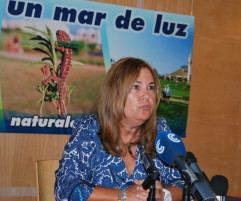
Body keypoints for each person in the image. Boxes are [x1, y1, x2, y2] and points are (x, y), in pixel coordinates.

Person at [55, 57, 184, 201]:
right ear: (115, 94)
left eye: (151, 87)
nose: (147, 95)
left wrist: (164, 195)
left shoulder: (160, 130)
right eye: (136, 87)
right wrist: (124, 195)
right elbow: (65, 188)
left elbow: (182, 183)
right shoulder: (90, 128)